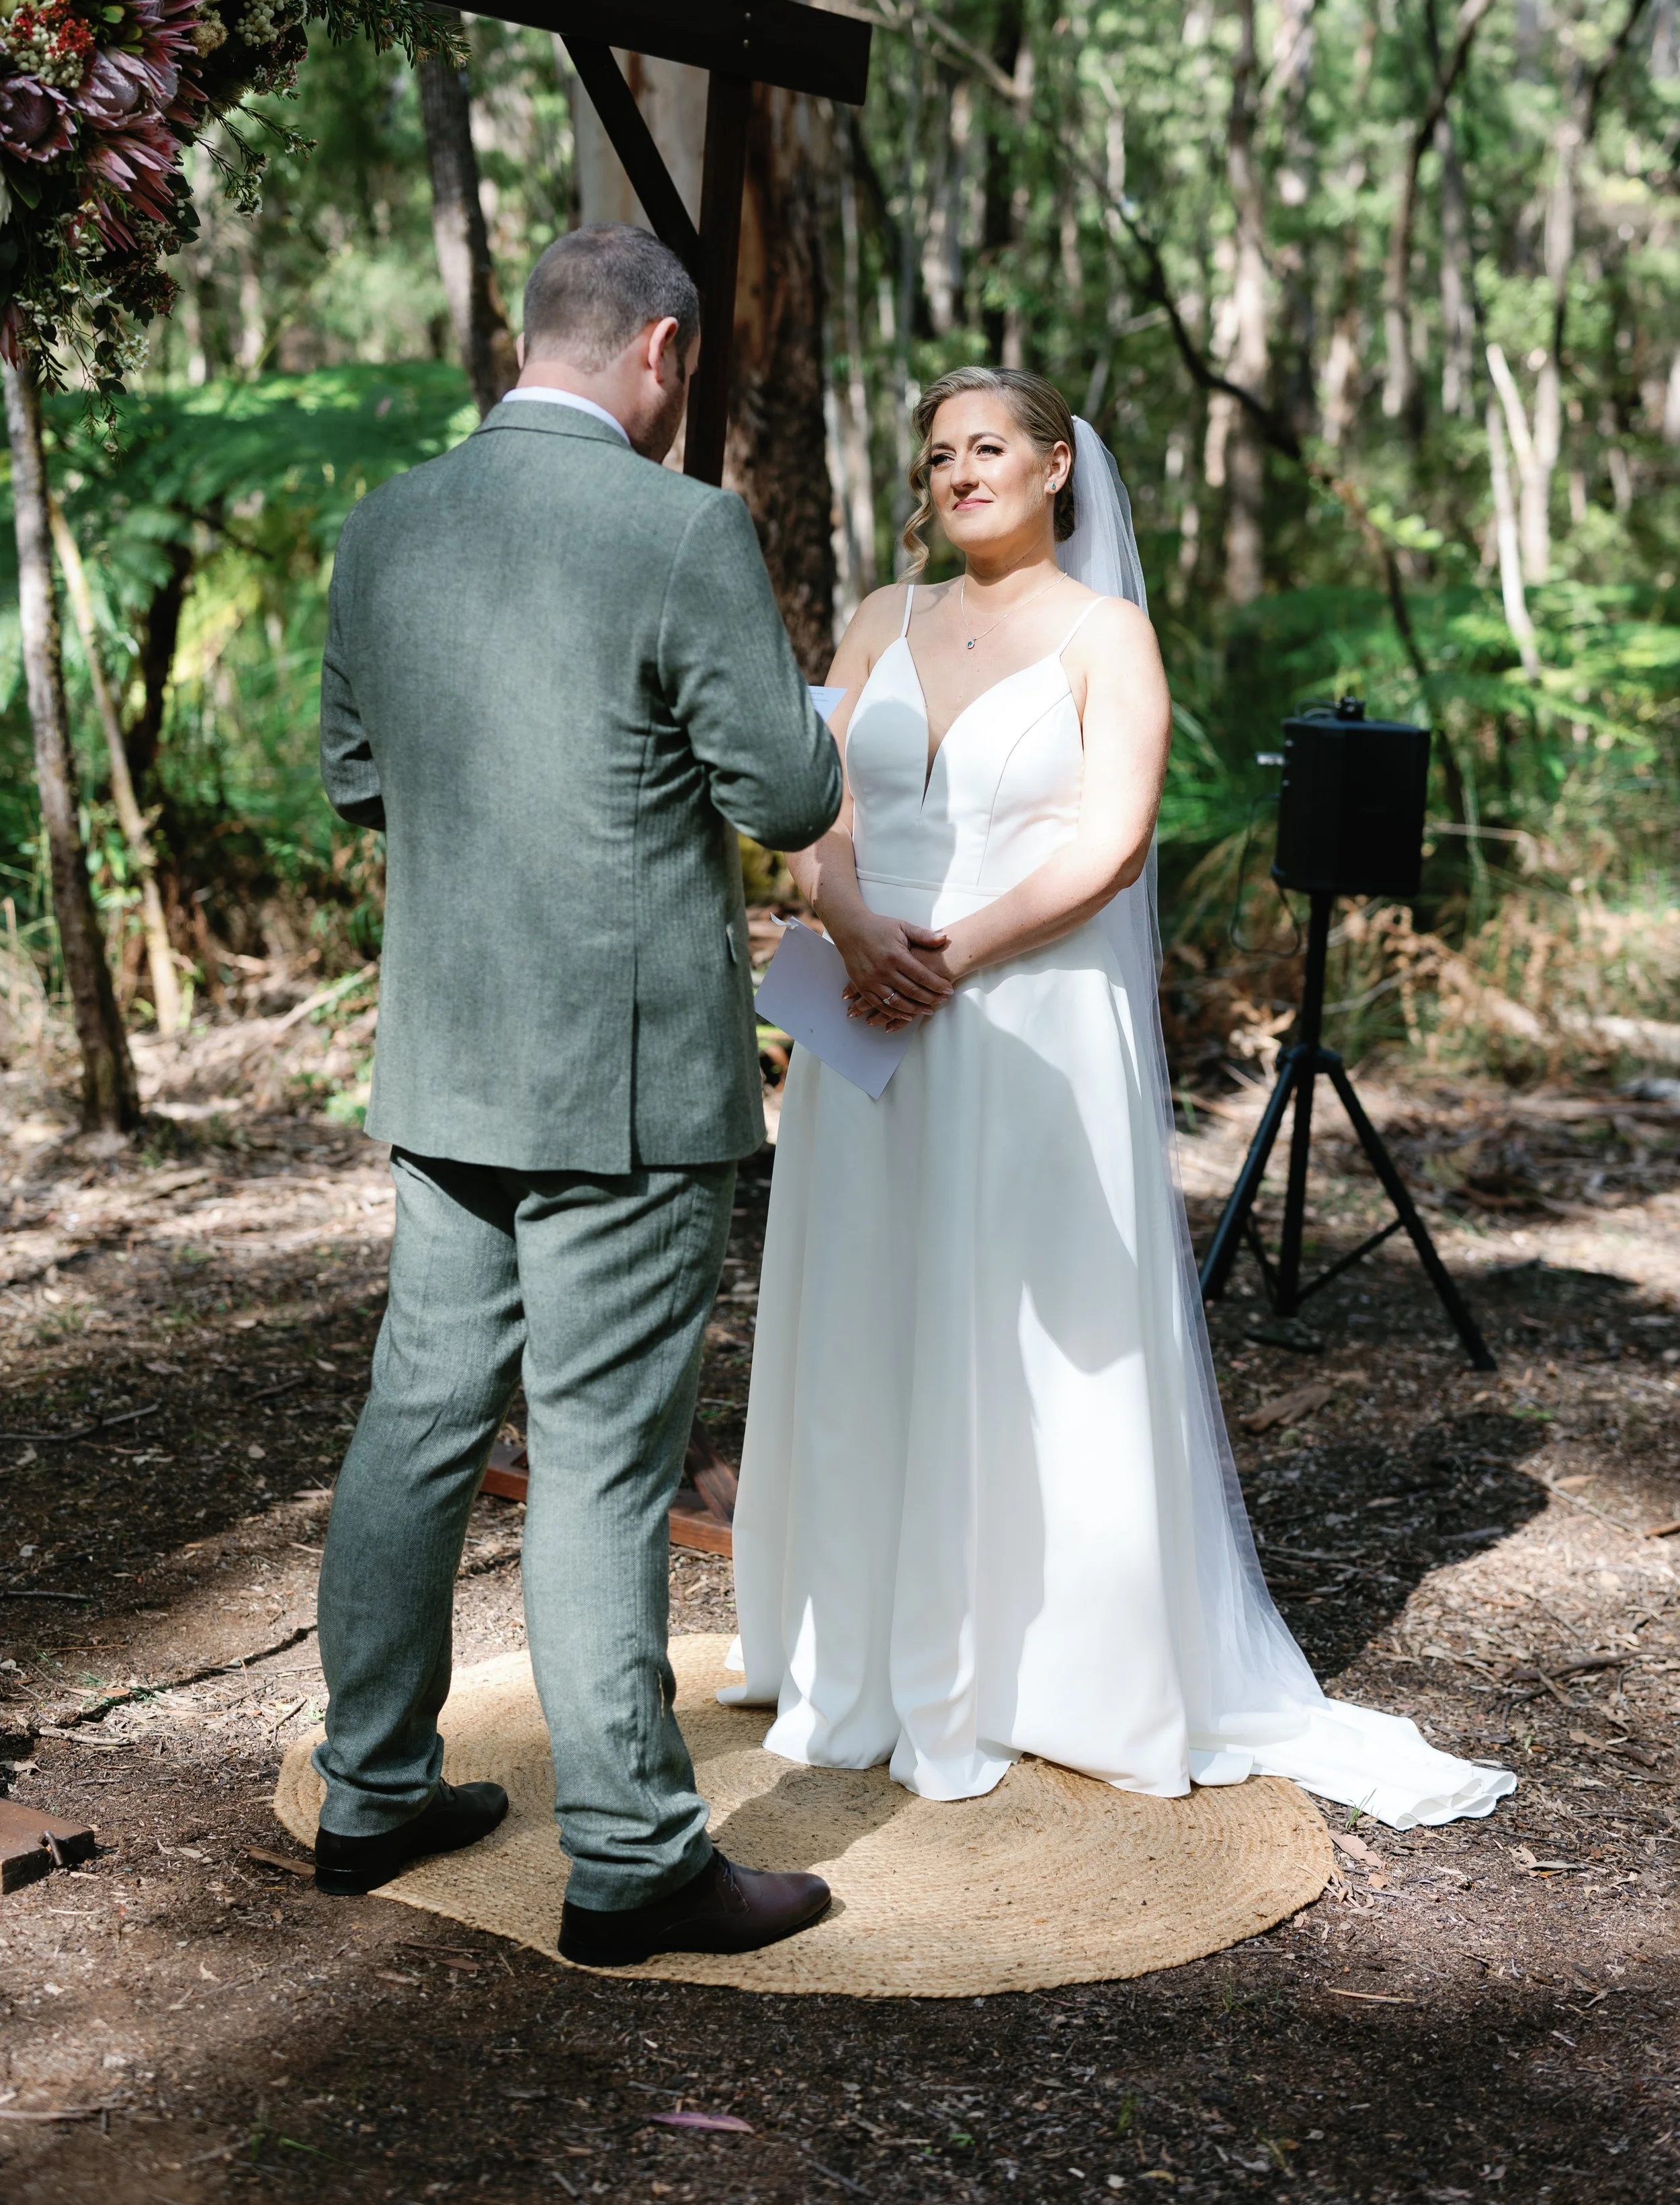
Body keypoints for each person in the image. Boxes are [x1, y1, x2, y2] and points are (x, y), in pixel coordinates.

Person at [723, 366, 1516, 1830]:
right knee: (861, 1305)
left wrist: (951, 951)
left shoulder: (1109, 636)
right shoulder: (874, 622)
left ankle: (1030, 1664)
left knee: (1022, 1330)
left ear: (1052, 471)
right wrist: (846, 924)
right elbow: (810, 811)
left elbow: (1111, 841)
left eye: (988, 448)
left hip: (1022, 1018)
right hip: (863, 1009)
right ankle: (848, 1652)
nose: (959, 471)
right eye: (940, 453)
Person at [312, 224, 843, 1965]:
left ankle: (374, 1785)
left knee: (420, 1416)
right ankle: (629, 1855)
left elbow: (354, 777)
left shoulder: (385, 522)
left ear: (531, 335)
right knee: (606, 1463)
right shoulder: (679, 524)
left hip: (448, 1056)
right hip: (618, 1079)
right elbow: (780, 784)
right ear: (663, 351)